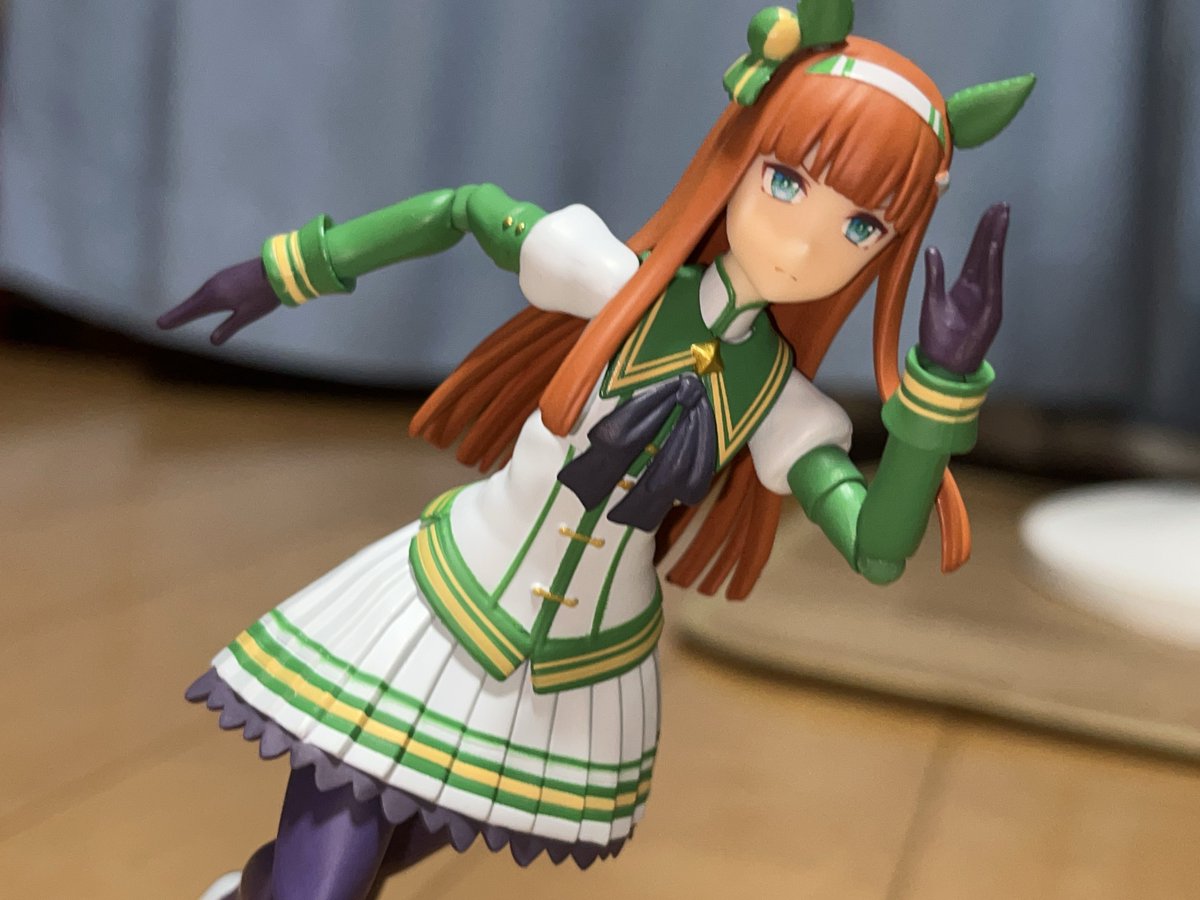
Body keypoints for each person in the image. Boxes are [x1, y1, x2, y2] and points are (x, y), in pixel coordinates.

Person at [160, 4, 1034, 898]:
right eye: (786, 181)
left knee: (342, 874)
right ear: (741, 155)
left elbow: (878, 548)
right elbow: (464, 211)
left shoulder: (784, 406)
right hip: (444, 602)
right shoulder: (609, 280)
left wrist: (938, 392)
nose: (806, 241)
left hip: (575, 676)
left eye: (861, 228)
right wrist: (292, 268)